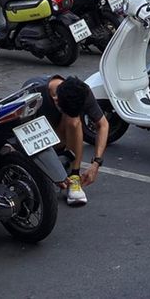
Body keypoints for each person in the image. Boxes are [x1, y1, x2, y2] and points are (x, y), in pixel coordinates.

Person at [25, 74, 108, 206]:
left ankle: (74, 175)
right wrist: (51, 170)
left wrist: (96, 164)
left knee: (73, 120)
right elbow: (21, 135)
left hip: (62, 141)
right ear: (56, 100)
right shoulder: (33, 92)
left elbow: (103, 125)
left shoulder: (81, 91)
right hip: (37, 145)